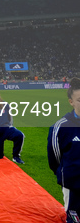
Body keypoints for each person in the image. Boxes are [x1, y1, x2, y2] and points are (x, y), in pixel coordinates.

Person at [48, 77, 80, 223]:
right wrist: (65, 174)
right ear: (71, 102)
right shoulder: (61, 127)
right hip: (73, 185)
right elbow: (54, 157)